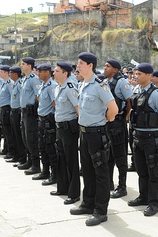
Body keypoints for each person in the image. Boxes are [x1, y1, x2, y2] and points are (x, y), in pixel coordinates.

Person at [69, 52, 118, 227]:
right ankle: (88, 204)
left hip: (97, 134)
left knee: (100, 173)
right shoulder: (83, 84)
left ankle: (100, 210)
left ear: (90, 66)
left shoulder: (99, 85)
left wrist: (105, 119)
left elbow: (113, 109)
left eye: (81, 63)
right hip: (85, 133)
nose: (78, 66)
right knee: (88, 171)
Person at [127, 63, 158, 216]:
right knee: (141, 170)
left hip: (151, 138)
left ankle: (153, 202)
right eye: (135, 74)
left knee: (154, 171)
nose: (136, 76)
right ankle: (143, 197)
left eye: (139, 74)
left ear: (149, 75)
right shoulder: (137, 91)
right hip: (137, 137)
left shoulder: (156, 94)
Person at [52, 61, 81, 204]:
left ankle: (74, 193)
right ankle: (62, 187)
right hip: (60, 126)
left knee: (71, 161)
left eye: (57, 71)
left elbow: (78, 109)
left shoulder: (70, 87)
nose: (54, 73)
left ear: (65, 73)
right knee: (61, 158)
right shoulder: (58, 87)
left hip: (69, 128)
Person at [103, 59, 133, 198]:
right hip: (107, 122)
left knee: (120, 156)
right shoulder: (106, 82)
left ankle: (122, 186)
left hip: (118, 123)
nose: (105, 68)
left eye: (108, 66)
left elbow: (129, 101)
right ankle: (109, 183)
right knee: (108, 155)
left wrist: (125, 117)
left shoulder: (121, 82)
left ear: (115, 69)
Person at [34, 64, 58, 182]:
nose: (38, 73)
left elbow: (55, 104)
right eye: (37, 71)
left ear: (47, 72)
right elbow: (38, 99)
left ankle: (54, 174)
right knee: (42, 147)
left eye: (40, 71)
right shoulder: (43, 85)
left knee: (50, 148)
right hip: (41, 119)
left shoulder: (51, 86)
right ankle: (45, 171)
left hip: (49, 121)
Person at [19, 57, 42, 174]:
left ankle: (36, 164)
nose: (21, 66)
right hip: (23, 112)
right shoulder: (25, 79)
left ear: (29, 66)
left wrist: (35, 110)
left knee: (31, 138)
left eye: (23, 64)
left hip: (30, 113)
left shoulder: (34, 79)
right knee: (25, 137)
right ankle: (29, 160)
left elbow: (38, 96)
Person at [9, 67, 27, 166]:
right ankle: (16, 155)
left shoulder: (20, 84)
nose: (9, 74)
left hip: (18, 112)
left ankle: (22, 157)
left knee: (19, 136)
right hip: (13, 111)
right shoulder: (15, 84)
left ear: (15, 74)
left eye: (11, 73)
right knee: (14, 135)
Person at [0, 65, 15, 158]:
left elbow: (13, 96)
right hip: (2, 109)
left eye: (1, 71)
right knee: (5, 131)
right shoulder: (4, 83)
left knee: (8, 131)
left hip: (7, 109)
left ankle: (11, 151)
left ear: (6, 73)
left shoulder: (10, 83)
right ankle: (5, 149)